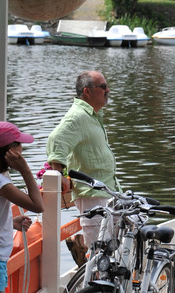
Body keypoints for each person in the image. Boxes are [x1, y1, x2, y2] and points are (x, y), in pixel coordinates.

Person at [46, 71, 120, 248]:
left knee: (118, 246)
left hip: (107, 192)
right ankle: (85, 260)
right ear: (87, 91)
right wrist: (61, 174)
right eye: (102, 87)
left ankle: (80, 247)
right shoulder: (78, 115)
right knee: (99, 255)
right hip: (92, 197)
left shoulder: (91, 116)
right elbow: (56, 140)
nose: (107, 90)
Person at [0, 121, 44, 293]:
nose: (21, 150)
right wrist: (25, 169)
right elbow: (37, 205)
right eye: (19, 145)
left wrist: (11, 221)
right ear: (9, 151)